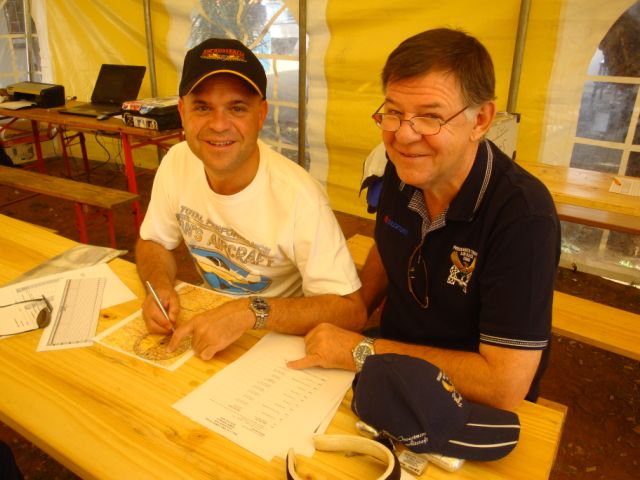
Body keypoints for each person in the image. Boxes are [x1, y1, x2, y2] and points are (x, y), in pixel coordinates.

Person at [288, 28, 561, 410]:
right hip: (387, 362)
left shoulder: (524, 217)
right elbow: (387, 248)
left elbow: (503, 385)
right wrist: (353, 310)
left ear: (481, 120)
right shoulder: (400, 172)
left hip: (466, 398)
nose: (403, 136)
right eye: (393, 113)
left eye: (430, 117)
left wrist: (362, 350)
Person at [136, 38, 365, 360]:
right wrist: (159, 285)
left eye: (237, 108)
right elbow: (154, 242)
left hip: (274, 339)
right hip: (208, 325)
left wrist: (250, 312)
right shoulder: (177, 161)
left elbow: (349, 310)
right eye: (203, 107)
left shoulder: (299, 196)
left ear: (261, 114)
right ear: (182, 112)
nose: (218, 125)